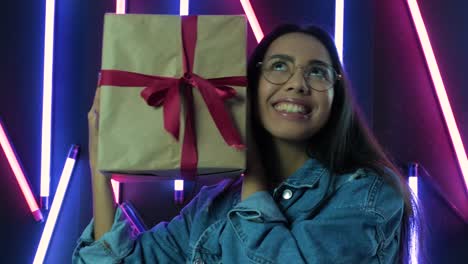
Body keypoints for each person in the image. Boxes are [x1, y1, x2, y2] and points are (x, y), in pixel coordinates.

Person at [73, 24, 416, 263]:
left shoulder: (367, 192)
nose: (297, 83)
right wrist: (101, 169)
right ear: (250, 87)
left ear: (335, 98)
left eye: (317, 72)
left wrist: (250, 167)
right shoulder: (212, 206)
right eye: (279, 67)